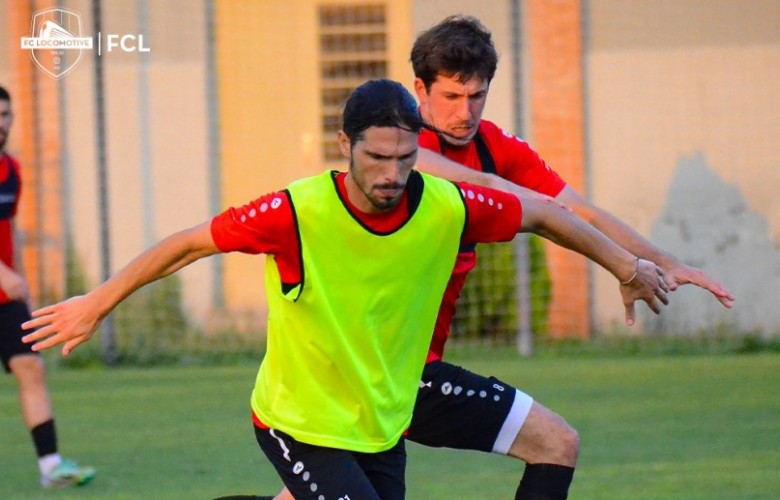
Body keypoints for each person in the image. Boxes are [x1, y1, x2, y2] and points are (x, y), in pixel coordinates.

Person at [22, 79, 666, 500]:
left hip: (379, 418)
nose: (392, 174)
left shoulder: (447, 205)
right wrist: (95, 302)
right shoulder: (295, 212)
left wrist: (625, 267)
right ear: (344, 146)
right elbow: (189, 243)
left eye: (405, 158)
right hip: (297, 423)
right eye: (376, 158)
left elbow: (545, 213)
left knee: (559, 443)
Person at [0, 85, 96, 488]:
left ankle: (51, 467)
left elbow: (10, 228)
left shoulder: (12, 170)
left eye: (6, 115)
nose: (1, 123)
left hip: (6, 296)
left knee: (31, 367)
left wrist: (21, 280)